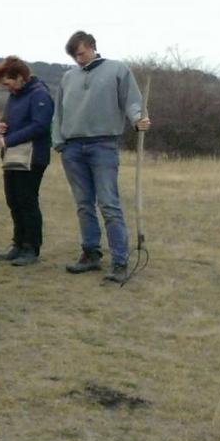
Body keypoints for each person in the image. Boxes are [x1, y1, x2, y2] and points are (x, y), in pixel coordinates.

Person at [54, 31, 151, 282]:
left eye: (81, 52)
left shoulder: (117, 70)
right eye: (74, 55)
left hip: (103, 145)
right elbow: (59, 113)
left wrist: (138, 119)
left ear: (93, 47)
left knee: (109, 204)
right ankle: (91, 254)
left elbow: (132, 101)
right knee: (84, 205)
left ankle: (120, 262)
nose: (78, 58)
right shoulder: (68, 77)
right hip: (72, 148)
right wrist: (59, 142)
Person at [0, 57, 55, 266]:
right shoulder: (16, 96)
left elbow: (40, 126)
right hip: (13, 157)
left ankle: (31, 247)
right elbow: (9, 119)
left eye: (8, 83)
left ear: (20, 78)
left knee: (27, 201)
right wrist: (2, 126)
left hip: (33, 157)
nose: (7, 88)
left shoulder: (39, 95)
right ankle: (17, 243)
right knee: (13, 200)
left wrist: (9, 139)